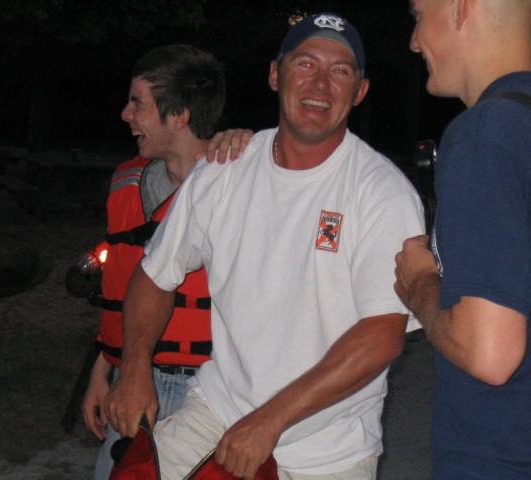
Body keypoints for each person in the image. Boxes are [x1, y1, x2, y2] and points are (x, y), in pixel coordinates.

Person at [105, 13, 424, 480]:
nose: (320, 84)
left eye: (340, 71)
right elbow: (156, 274)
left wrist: (269, 421)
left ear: (359, 91)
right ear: (276, 75)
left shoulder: (382, 192)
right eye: (305, 64)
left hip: (327, 452)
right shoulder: (223, 169)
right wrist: (134, 368)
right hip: (217, 415)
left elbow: (382, 332)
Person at [76, 44, 227, 480]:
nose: (126, 114)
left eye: (137, 103)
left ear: (178, 115)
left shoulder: (236, 186)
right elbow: (120, 289)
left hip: (209, 389)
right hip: (133, 380)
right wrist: (102, 373)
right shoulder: (125, 182)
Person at [394, 1, 531, 478]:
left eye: (417, 15)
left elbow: (489, 352)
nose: (414, 41)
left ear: (459, 8)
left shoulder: (485, 134)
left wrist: (418, 284)